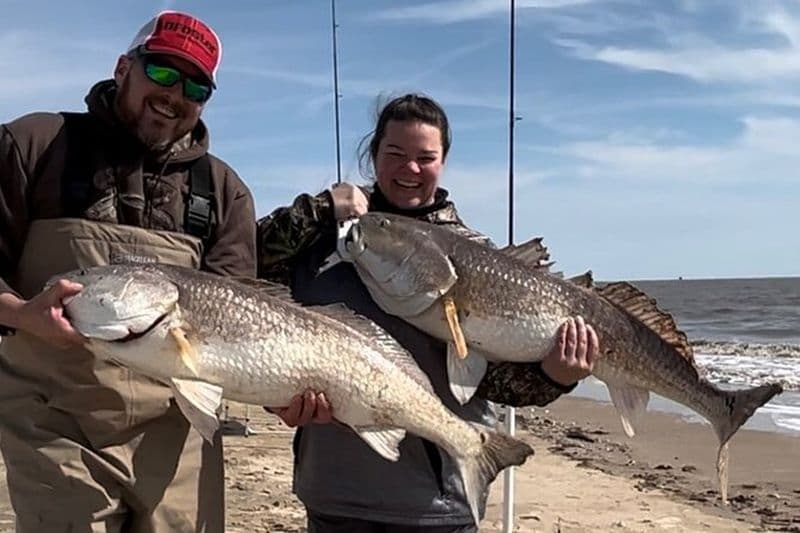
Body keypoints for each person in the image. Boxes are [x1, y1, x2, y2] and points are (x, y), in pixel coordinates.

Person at [257, 93, 600, 532]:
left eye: (426, 157)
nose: (410, 169)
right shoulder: (320, 241)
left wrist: (556, 375)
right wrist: (322, 208)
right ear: (372, 153)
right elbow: (239, 273)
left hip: (437, 506)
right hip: (333, 496)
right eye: (395, 154)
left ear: (444, 161)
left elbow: (496, 381)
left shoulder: (478, 258)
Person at [0, 10, 256, 532]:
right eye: (162, 71)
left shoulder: (224, 191)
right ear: (123, 68)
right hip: (56, 426)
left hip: (177, 435)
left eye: (195, 85)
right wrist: (23, 314)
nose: (175, 93)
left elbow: (235, 326)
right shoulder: (33, 145)